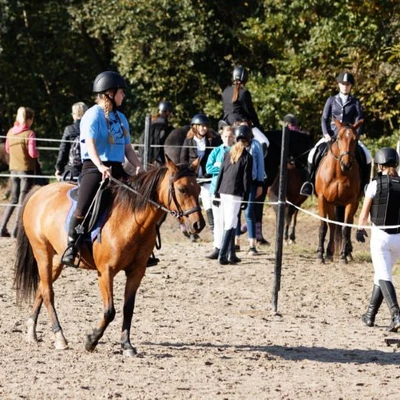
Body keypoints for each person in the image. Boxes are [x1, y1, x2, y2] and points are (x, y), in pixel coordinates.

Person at [61, 71, 142, 267]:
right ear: (109, 94)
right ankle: (72, 246)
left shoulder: (121, 118)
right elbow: (90, 143)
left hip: (116, 166)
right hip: (94, 167)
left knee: (138, 200)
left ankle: (138, 247)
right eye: (121, 92)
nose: (123, 96)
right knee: (85, 201)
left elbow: (128, 148)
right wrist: (99, 166)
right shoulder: (92, 115)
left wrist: (138, 165)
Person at [300, 72, 372, 196]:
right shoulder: (331, 100)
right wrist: (325, 133)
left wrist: (356, 136)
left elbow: (359, 120)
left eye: (348, 84)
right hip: (332, 135)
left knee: (368, 156)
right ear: (339, 85)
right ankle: (309, 184)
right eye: (343, 84)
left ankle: (365, 186)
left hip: (349, 137)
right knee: (312, 154)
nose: (345, 86)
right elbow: (324, 119)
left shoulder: (355, 102)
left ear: (351, 86)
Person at [357, 147, 400, 332]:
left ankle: (396, 314)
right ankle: (370, 315)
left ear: (380, 165)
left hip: (380, 238)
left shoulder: (375, 185)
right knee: (381, 275)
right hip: (398, 239)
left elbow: (364, 213)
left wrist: (360, 228)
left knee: (384, 276)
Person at [214, 125, 253, 265]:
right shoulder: (247, 157)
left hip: (223, 190)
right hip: (235, 193)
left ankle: (231, 254)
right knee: (230, 223)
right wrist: (246, 198)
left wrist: (216, 191)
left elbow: (220, 173)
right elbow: (246, 180)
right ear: (249, 139)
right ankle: (222, 255)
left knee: (232, 221)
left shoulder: (228, 153)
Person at [180, 113, 221, 237]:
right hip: (194, 177)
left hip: (207, 176)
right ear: (194, 127)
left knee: (208, 202)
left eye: (205, 126)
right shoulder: (188, 141)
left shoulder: (212, 140)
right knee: (192, 202)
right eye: (201, 126)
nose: (204, 128)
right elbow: (183, 158)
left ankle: (214, 229)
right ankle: (190, 229)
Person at [0, 107, 39, 238]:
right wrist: (37, 153)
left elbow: (7, 149)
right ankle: (16, 230)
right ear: (28, 119)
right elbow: (32, 153)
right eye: (32, 119)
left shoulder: (11, 132)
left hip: (13, 169)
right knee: (23, 200)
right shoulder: (29, 134)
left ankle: (2, 227)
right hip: (26, 170)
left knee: (13, 199)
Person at [232, 120, 265, 255]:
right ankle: (236, 241)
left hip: (251, 183)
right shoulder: (234, 146)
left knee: (249, 212)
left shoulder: (256, 145)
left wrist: (260, 183)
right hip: (237, 183)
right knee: (236, 212)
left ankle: (252, 244)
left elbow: (260, 165)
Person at [205, 124, 235, 259]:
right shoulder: (216, 151)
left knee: (230, 220)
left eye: (230, 136)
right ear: (222, 137)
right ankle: (217, 246)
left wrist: (220, 167)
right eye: (225, 136)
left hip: (230, 190)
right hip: (215, 189)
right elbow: (209, 168)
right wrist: (224, 168)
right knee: (218, 220)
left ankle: (229, 248)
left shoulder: (236, 151)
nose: (228, 139)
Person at [55, 102, 88, 182]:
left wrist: (59, 168)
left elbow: (63, 150)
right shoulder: (91, 128)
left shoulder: (69, 129)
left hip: (73, 170)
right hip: (88, 169)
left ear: (74, 114)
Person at [222, 65, 261, 130]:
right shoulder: (244, 92)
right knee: (263, 139)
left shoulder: (225, 91)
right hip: (240, 125)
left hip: (226, 124)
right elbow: (250, 112)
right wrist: (258, 126)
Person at [139, 100, 174, 166]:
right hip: (155, 152)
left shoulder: (154, 121)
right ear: (167, 112)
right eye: (169, 112)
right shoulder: (162, 123)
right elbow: (161, 137)